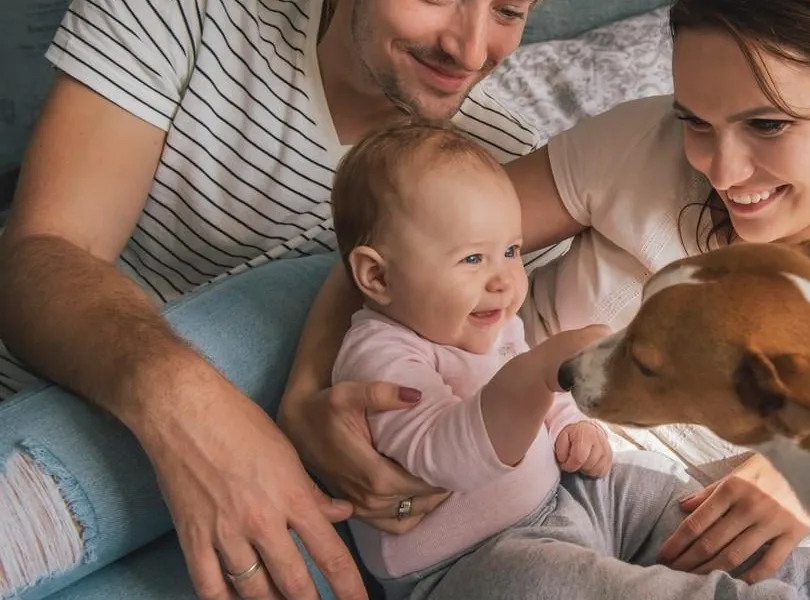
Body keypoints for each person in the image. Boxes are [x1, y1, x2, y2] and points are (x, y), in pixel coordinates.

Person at [284, 0, 810, 586]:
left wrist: (802, 475)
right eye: (696, 121)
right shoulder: (642, 147)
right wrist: (307, 394)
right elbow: (405, 240)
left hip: (655, 530)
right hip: (474, 473)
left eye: (768, 124)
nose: (723, 169)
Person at [0, 0, 549, 598]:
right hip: (49, 416)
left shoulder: (501, 166)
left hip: (290, 510)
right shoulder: (184, 13)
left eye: (507, 10)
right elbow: (41, 252)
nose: (470, 51)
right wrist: (194, 413)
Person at [325, 119, 810, 599]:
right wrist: (539, 374)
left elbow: (544, 409)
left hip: (563, 500)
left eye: (510, 251)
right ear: (377, 277)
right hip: (469, 565)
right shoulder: (381, 355)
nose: (505, 278)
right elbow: (446, 459)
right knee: (572, 586)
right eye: (472, 259)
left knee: (655, 493)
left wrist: (573, 427)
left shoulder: (489, 322)